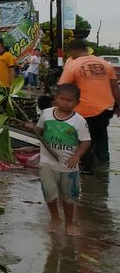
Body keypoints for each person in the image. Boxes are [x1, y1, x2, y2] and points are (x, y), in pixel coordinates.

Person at [26, 84, 91, 235]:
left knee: (68, 197)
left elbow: (86, 141)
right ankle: (55, 218)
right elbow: (40, 130)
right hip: (47, 162)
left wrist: (77, 156)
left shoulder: (79, 121)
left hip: (68, 165)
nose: (65, 102)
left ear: (77, 103)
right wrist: (32, 127)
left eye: (69, 100)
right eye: (62, 99)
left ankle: (69, 223)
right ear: (55, 99)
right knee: (48, 192)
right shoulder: (47, 114)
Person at [58, 39, 120, 174]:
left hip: (83, 110)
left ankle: (86, 168)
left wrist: (57, 106)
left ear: (73, 51)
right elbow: (115, 87)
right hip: (106, 109)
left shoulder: (73, 65)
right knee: (95, 138)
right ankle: (98, 162)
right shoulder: (106, 64)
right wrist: (119, 105)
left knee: (83, 140)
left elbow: (64, 88)